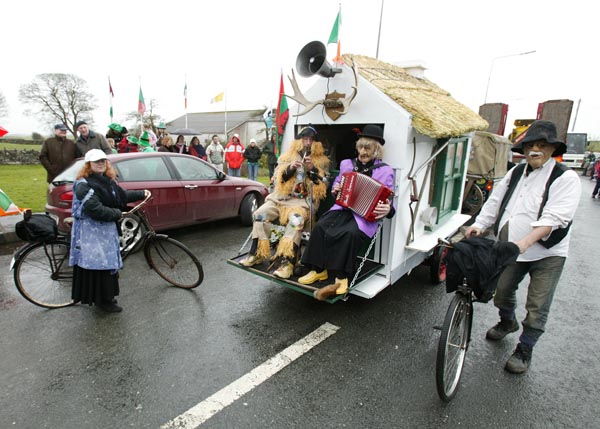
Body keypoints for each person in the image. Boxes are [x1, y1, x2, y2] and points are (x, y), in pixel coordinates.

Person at [464, 120, 581, 374]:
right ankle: (507, 322)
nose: (535, 150)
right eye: (530, 145)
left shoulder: (566, 178)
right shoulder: (516, 172)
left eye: (541, 145)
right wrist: (479, 225)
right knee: (503, 291)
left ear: (552, 149)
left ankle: (525, 348)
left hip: (548, 253)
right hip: (512, 248)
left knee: (538, 304)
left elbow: (555, 218)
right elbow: (495, 202)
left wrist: (525, 242)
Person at [299, 125, 395, 300]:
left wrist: (388, 209)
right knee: (321, 226)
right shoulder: (347, 164)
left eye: (368, 148)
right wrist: (336, 189)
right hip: (342, 208)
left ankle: (341, 278)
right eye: (361, 147)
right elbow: (338, 184)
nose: (363, 152)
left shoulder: (385, 171)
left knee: (350, 233)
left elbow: (389, 198)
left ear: (376, 150)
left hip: (364, 217)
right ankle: (318, 270)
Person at [240, 125, 329, 279]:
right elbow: (278, 180)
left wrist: (312, 169)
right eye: (304, 139)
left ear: (316, 143)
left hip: (303, 202)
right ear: (299, 140)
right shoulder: (287, 156)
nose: (307, 142)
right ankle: (257, 253)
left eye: (311, 140)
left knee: (296, 220)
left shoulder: (321, 161)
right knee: (259, 214)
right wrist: (290, 169)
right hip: (281, 198)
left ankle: (287, 263)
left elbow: (323, 186)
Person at [69, 149, 148, 313]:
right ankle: (102, 301)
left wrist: (142, 193)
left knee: (107, 264)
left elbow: (121, 196)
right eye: (97, 161)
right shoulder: (83, 184)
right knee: (99, 265)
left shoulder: (108, 181)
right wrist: (117, 214)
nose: (101, 164)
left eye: (103, 161)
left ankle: (107, 297)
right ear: (89, 164)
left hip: (106, 230)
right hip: (92, 232)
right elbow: (95, 209)